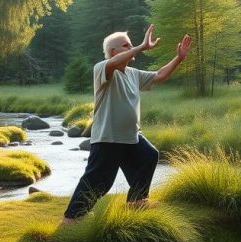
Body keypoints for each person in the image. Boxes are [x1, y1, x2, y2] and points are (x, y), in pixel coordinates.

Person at [61, 25, 191, 223]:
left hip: (131, 136)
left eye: (131, 45)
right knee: (99, 181)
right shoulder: (102, 68)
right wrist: (141, 46)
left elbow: (160, 75)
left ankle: (137, 201)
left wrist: (179, 58)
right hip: (108, 137)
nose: (131, 48)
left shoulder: (133, 73)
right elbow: (114, 63)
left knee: (149, 155)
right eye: (126, 45)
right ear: (113, 51)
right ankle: (71, 218)